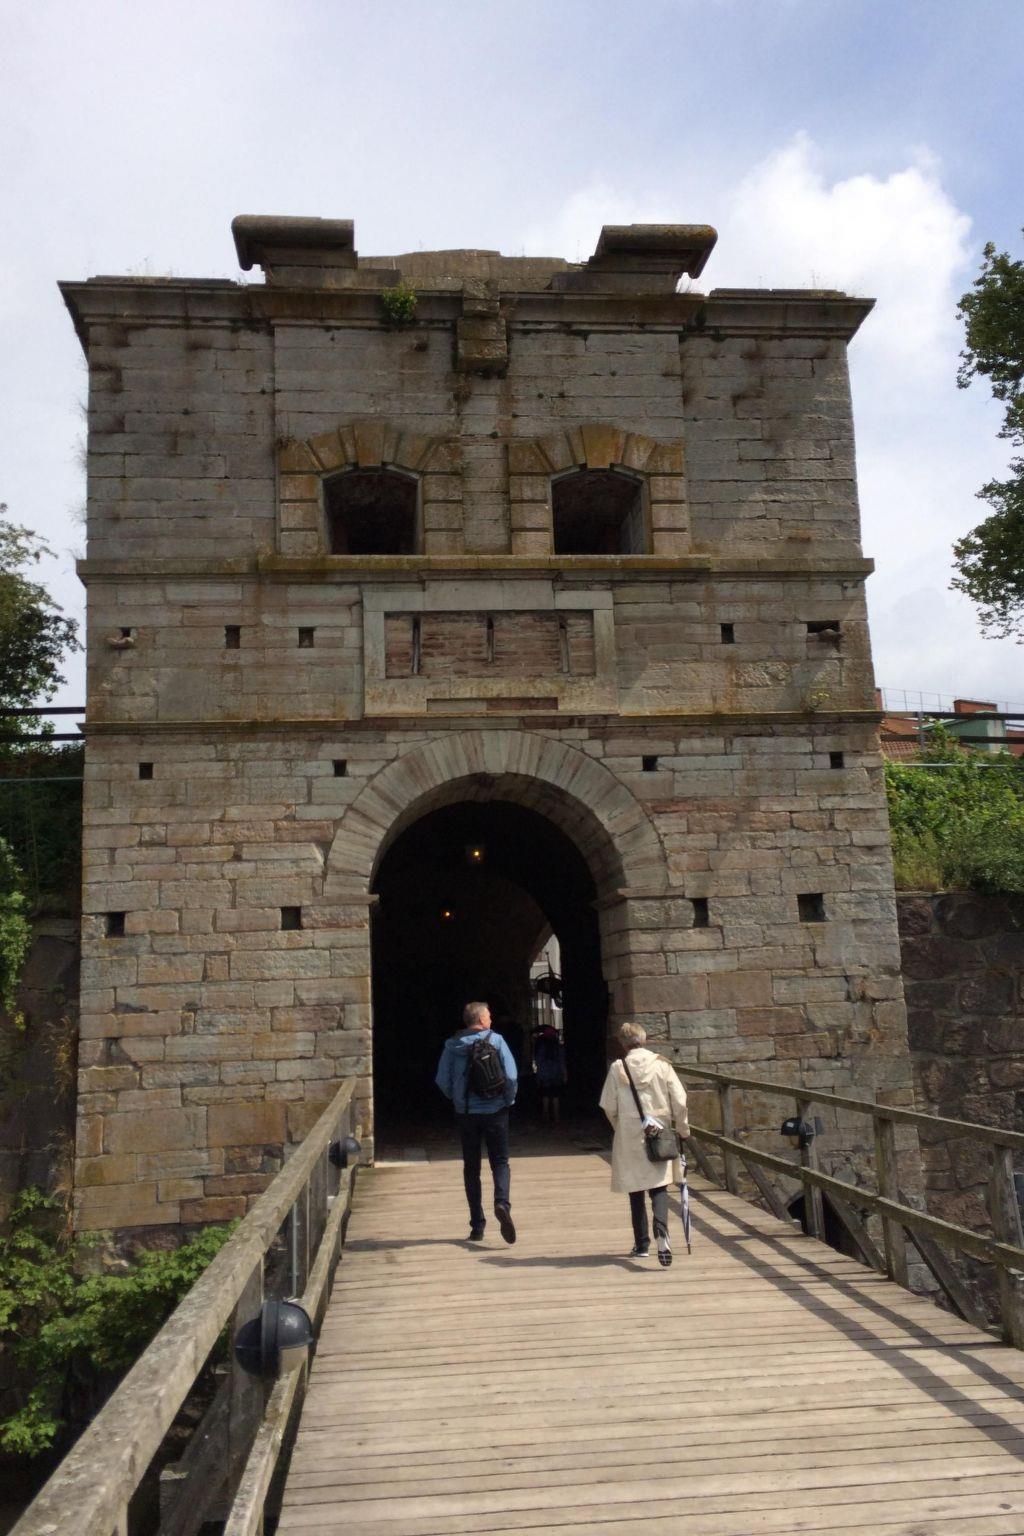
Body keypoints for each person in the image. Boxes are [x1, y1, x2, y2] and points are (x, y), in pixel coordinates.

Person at [599, 1022, 689, 1266]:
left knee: (635, 1187)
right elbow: (680, 1100)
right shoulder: (662, 1064)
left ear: (623, 1044)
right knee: (659, 1185)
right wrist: (683, 1129)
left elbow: (608, 1105)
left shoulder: (618, 1068)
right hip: (658, 1130)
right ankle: (662, 1232)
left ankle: (641, 1244)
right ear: (644, 1039)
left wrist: (620, 1127)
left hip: (629, 1132)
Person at [435, 1000, 518, 1244]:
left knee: (471, 1167)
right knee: (500, 1161)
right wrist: (507, 1100)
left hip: (467, 1114)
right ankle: (502, 1203)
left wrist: (457, 1099)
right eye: (489, 1016)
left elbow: (442, 1079)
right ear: (481, 1020)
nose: (491, 1019)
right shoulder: (497, 1041)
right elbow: (511, 1076)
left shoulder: (452, 1046)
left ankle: (477, 1225)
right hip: (496, 1111)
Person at [532, 1022, 567, 1124]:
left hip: (544, 1074)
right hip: (556, 1074)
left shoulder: (541, 1048)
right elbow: (562, 1062)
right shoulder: (559, 1048)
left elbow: (538, 1062)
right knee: (556, 1096)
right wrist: (565, 1074)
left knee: (545, 1096)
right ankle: (556, 1117)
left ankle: (545, 1116)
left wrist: (538, 1075)